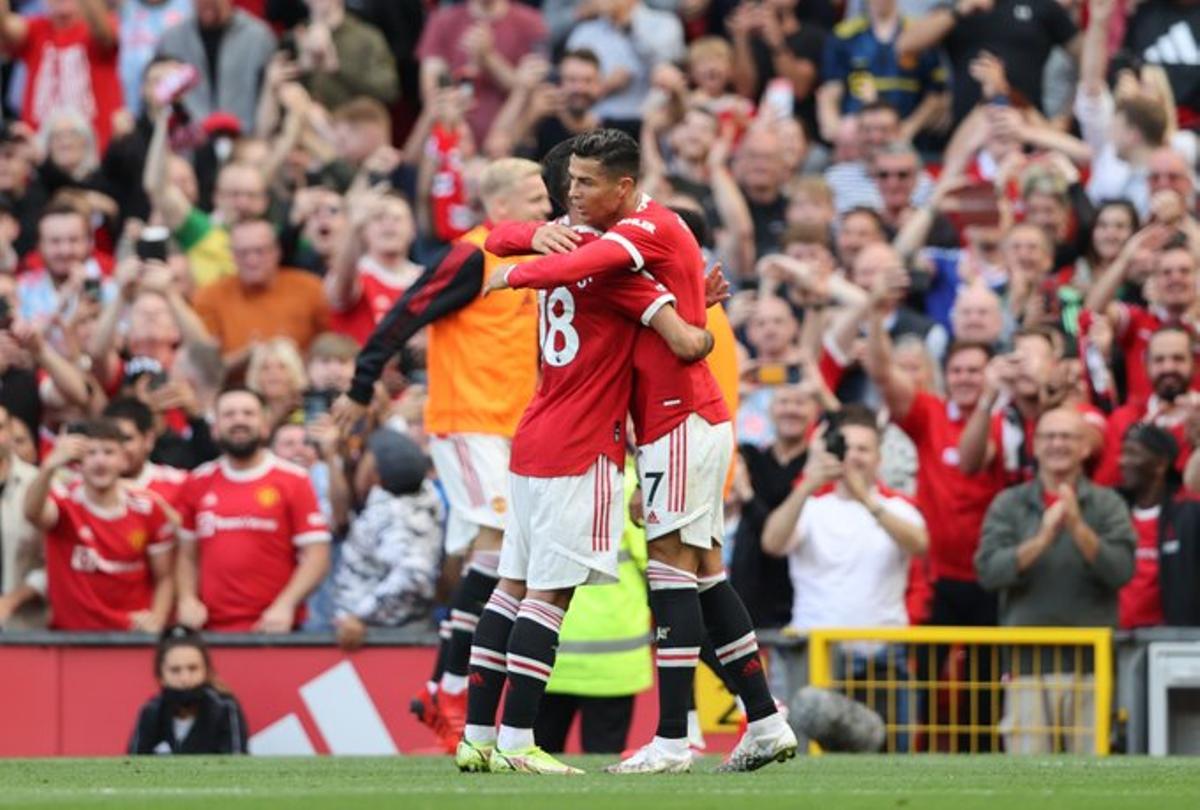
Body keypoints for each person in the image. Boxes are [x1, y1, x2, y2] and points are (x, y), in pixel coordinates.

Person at [481, 130, 794, 775]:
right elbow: (505, 235)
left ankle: (673, 741)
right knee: (703, 575)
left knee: (670, 573)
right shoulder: (627, 240)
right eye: (568, 186)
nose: (573, 197)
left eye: (586, 184)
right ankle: (764, 720)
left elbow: (682, 343)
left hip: (677, 419)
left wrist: (514, 273)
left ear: (621, 187)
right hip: (672, 423)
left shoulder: (635, 236)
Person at [332, 158, 548, 753]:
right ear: (499, 204)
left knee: (498, 558)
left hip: (512, 430)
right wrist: (361, 382)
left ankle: (442, 689)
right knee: (505, 551)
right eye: (535, 196)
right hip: (468, 423)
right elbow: (406, 311)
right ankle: (449, 691)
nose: (547, 206)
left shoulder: (536, 257)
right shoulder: (473, 254)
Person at [761, 405, 928, 749]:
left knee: (891, 758)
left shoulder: (898, 508)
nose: (852, 457)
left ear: (879, 458)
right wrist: (809, 483)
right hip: (814, 657)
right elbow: (772, 543)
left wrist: (865, 496)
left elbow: (920, 545)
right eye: (845, 447)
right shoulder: (812, 509)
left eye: (863, 449)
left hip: (881, 657)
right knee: (800, 762)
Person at [975, 408, 1135, 754]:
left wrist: (1078, 528)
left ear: (1085, 448)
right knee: (1028, 778)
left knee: (1091, 779)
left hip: (1091, 666)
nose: (1058, 444)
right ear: (1034, 445)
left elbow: (1121, 571)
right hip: (1027, 665)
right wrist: (1042, 540)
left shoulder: (1108, 505)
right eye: (1049, 436)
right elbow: (988, 571)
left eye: (1068, 436)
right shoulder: (1010, 504)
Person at [175, 388, 332, 632]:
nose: (239, 420)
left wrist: (286, 605)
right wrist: (187, 598)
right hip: (209, 629)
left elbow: (317, 555)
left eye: (248, 413)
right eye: (229, 414)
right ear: (215, 428)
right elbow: (186, 555)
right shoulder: (197, 481)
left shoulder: (293, 479)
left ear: (265, 426)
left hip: (276, 629)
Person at [24, 420, 176, 632]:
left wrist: (157, 618)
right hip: (72, 640)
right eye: (91, 453)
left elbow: (165, 576)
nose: (100, 461)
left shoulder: (147, 508)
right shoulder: (65, 502)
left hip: (131, 636)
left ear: (124, 460)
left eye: (108, 452)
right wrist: (49, 465)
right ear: (78, 462)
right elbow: (32, 513)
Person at [332, 427, 442, 649]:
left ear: (376, 471)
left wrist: (361, 616)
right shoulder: (420, 499)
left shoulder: (395, 513)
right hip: (388, 637)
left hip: (382, 640)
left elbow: (414, 575)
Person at [897, 0, 1081, 124]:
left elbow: (1086, 58)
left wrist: (1065, 118)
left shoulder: (1041, 6)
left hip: (1026, 126)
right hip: (966, 131)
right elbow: (906, 45)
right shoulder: (954, 7)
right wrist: (957, 12)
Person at [729, 383, 822, 629]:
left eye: (800, 403)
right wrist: (734, 392)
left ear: (814, 411)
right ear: (770, 410)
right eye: (783, 402)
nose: (791, 410)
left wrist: (748, 497)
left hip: (797, 596)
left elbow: (850, 424)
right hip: (749, 586)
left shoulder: (817, 467)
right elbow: (713, 434)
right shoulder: (749, 457)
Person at [191, 219, 331, 358]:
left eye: (260, 251)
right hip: (235, 380)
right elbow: (207, 368)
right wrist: (248, 356)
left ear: (277, 252)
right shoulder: (210, 296)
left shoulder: (310, 288)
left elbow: (333, 346)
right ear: (232, 256)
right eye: (243, 253)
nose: (252, 260)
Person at [416, 0, 547, 145]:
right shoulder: (442, 21)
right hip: (455, 143)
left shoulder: (530, 21)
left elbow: (533, 92)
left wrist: (489, 59)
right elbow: (432, 95)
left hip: (512, 141)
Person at [0, 0, 122, 149]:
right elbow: (4, 28)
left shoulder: (99, 27)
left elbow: (106, 35)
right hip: (42, 154)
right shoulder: (36, 30)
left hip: (94, 151)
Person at [155, 0, 277, 131]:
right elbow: (156, 96)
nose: (206, 3)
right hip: (190, 142)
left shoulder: (258, 37)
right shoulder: (172, 40)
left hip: (246, 140)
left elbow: (270, 95)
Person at [128, 625, 248, 754]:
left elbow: (237, 758)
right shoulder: (151, 711)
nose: (185, 679)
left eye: (193, 668)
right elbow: (133, 764)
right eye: (175, 670)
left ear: (206, 671)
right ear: (161, 676)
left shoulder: (225, 707)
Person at [291, 0, 398, 111]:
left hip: (352, 122)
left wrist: (337, 67)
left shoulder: (368, 38)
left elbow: (389, 91)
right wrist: (302, 68)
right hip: (304, 123)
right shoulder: (293, 38)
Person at [0, 405, 45, 629]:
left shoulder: (38, 484)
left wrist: (13, 599)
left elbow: (56, 563)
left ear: (9, 432)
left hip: (24, 630)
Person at [102, 397, 188, 507]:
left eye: (126, 439)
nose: (118, 447)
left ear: (148, 440)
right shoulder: (86, 487)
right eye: (112, 439)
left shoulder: (179, 484)